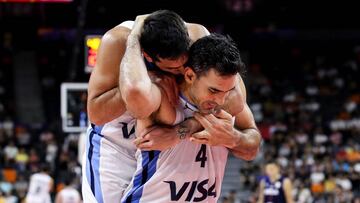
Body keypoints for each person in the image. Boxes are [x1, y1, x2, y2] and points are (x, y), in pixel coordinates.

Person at [83, 10, 210, 203]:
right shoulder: (116, 41)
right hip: (116, 146)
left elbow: (229, 101)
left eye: (183, 64)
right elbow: (96, 114)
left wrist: (180, 131)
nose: (181, 70)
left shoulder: (198, 37)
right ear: (148, 56)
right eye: (172, 68)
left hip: (164, 144)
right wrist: (143, 79)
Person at [121, 33, 261, 202]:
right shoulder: (162, 96)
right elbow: (134, 90)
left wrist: (233, 138)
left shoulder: (226, 102)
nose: (221, 100)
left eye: (229, 91)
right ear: (189, 75)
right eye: (214, 91)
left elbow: (253, 148)